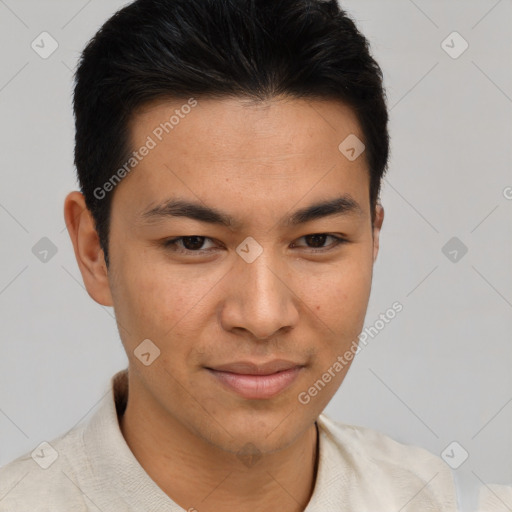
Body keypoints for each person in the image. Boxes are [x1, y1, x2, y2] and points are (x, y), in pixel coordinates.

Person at [0, 0, 459, 510]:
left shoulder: (429, 496)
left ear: (373, 238)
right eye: (193, 242)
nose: (263, 317)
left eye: (316, 240)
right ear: (94, 251)